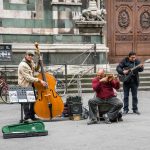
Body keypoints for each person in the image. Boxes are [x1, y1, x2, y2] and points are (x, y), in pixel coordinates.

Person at [18, 50, 47, 121]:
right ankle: (27, 117)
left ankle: (32, 115)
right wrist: (39, 80)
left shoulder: (31, 62)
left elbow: (36, 69)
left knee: (33, 100)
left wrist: (39, 63)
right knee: (26, 102)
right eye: (29, 55)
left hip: (31, 84)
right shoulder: (23, 65)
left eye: (32, 55)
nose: (30, 56)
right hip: (25, 85)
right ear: (26, 55)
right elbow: (28, 78)